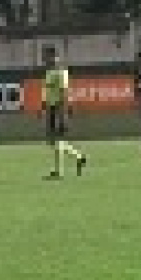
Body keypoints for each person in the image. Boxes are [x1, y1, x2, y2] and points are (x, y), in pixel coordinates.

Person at [41, 47, 87, 180]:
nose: (45, 59)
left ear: (54, 57)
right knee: (51, 140)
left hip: (59, 107)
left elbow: (64, 90)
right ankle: (78, 157)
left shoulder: (61, 72)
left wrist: (63, 108)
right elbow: (47, 91)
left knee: (58, 139)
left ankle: (59, 172)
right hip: (51, 107)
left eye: (47, 56)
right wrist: (44, 106)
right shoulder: (49, 72)